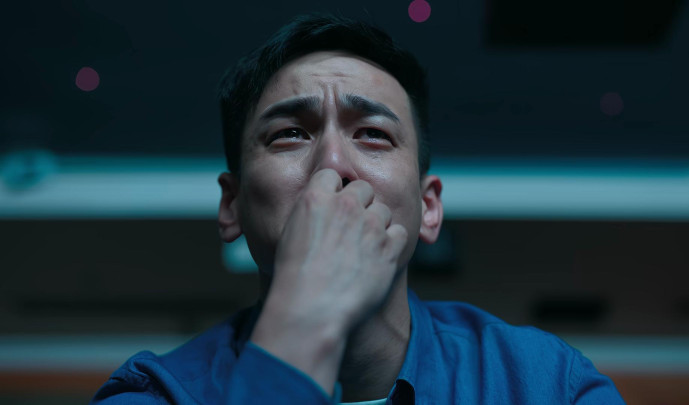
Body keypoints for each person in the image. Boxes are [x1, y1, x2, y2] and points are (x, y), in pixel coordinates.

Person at [92, 13, 625, 404]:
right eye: (289, 134)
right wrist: (304, 319)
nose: (333, 164)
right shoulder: (156, 394)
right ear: (232, 205)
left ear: (428, 207)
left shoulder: (550, 386)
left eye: (373, 134)